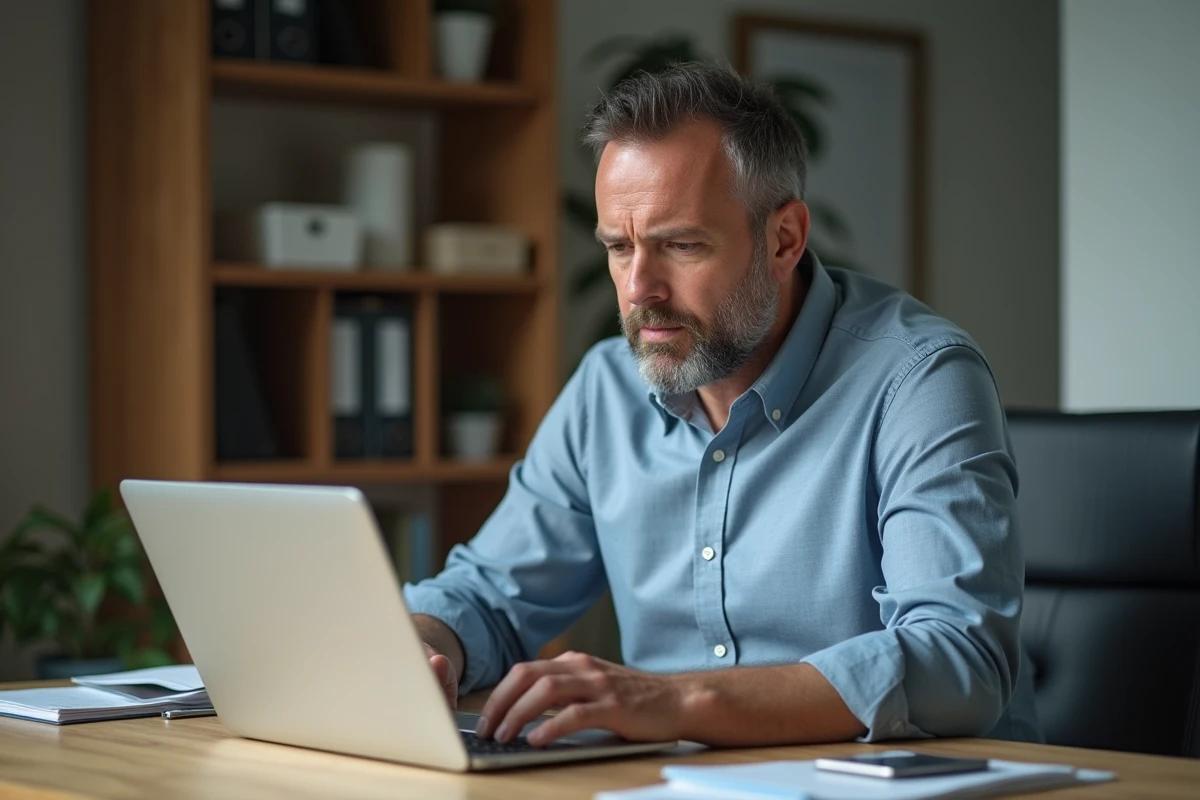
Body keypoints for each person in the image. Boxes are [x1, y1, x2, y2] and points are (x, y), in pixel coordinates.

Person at [405, 62, 1042, 748]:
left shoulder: (919, 380)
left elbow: (958, 661)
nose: (639, 289)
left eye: (681, 245)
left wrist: (678, 701)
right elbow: (486, 597)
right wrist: (422, 646)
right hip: (671, 785)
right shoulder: (606, 388)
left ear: (783, 239)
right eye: (619, 248)